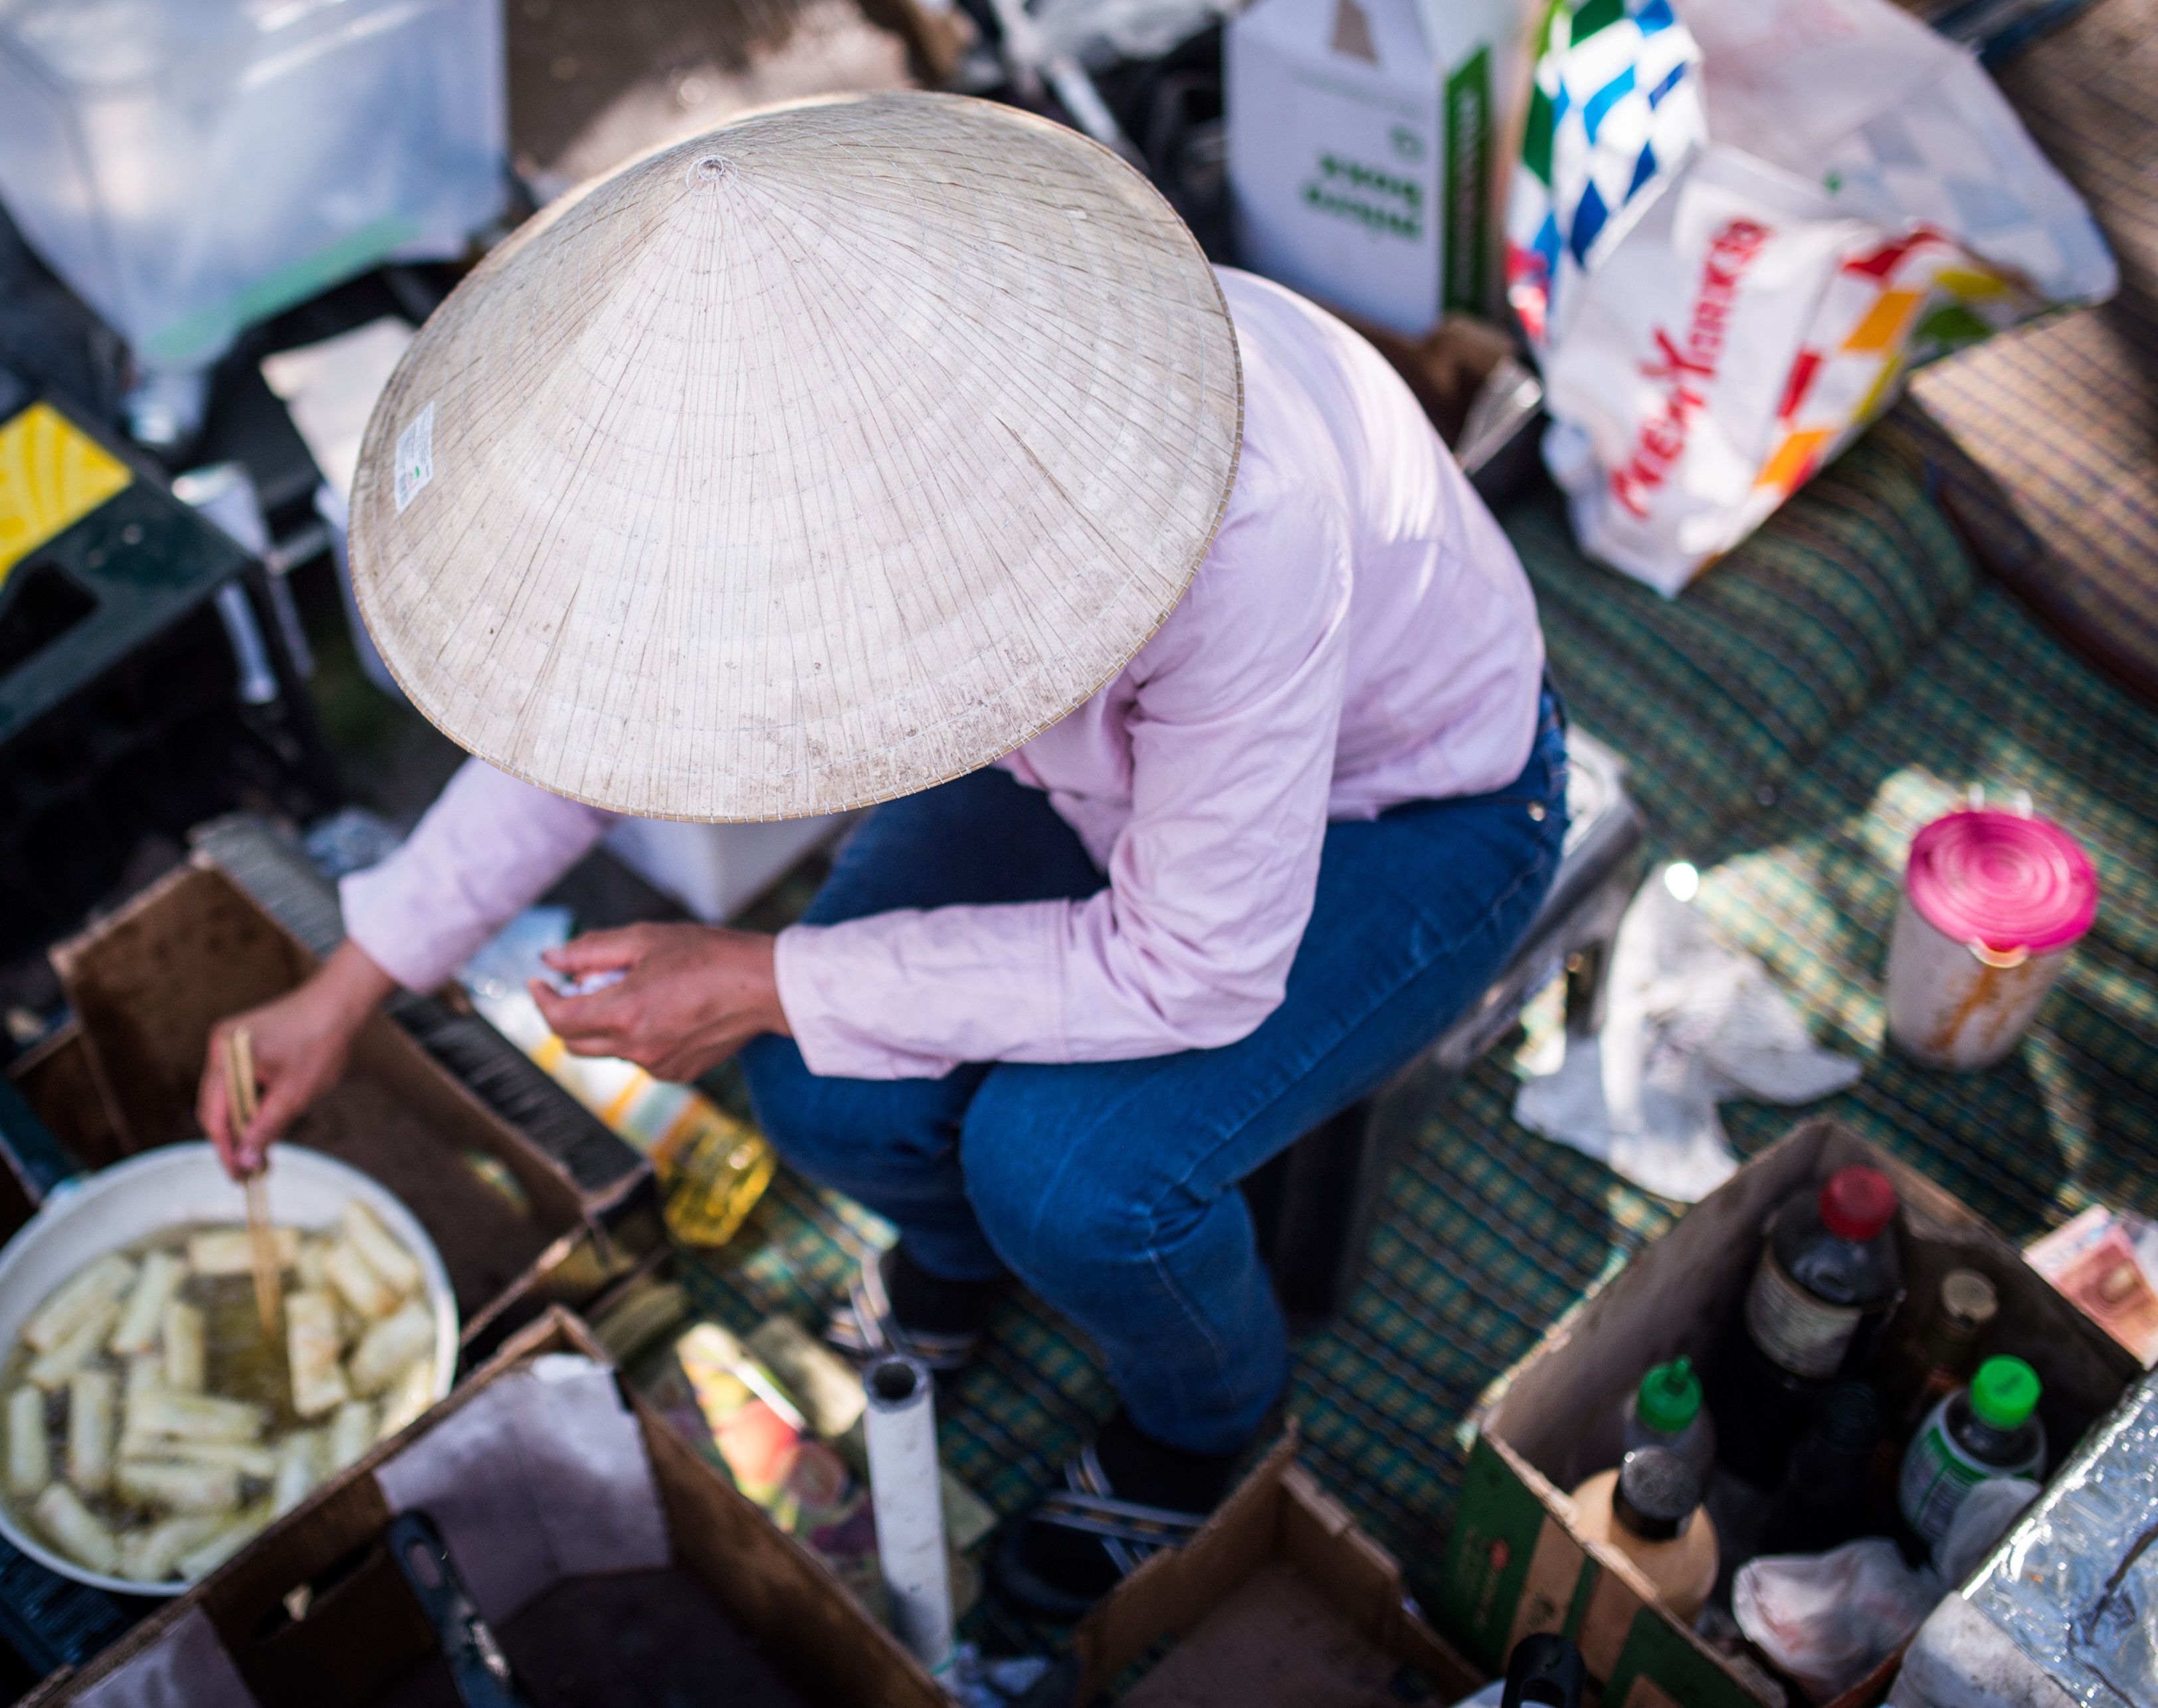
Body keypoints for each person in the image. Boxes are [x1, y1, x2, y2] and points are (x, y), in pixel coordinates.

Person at [198, 92, 1561, 1616]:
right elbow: (591, 721)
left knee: (1066, 1174)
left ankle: (1205, 1418)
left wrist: (764, 973)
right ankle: (955, 1257)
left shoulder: (1239, 513)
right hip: (1096, 786)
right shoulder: (793, 448)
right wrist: (347, 985)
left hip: (1410, 807)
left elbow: (1193, 962)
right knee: (820, 1085)